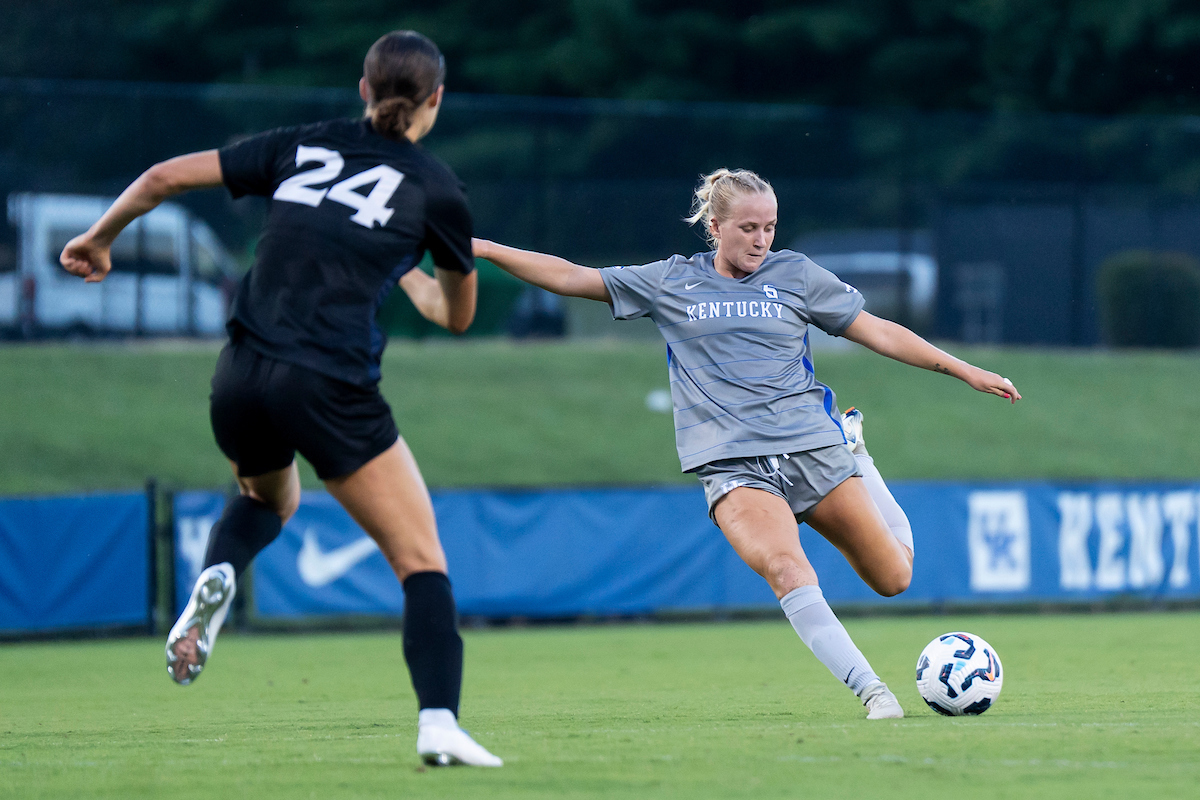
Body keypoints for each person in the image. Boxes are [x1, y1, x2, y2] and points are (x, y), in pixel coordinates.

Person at [59, 31, 502, 767]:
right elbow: (456, 317)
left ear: (363, 90)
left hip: (240, 373)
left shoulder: (302, 144)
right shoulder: (437, 189)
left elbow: (164, 176)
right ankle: (438, 724)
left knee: (268, 498)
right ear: (437, 100)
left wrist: (100, 238)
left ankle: (219, 574)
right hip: (328, 382)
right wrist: (414, 266)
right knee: (421, 559)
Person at [473, 168, 1021, 719]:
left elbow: (878, 330)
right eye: (749, 228)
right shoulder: (672, 280)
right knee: (787, 568)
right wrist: (489, 249)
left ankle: (857, 454)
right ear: (716, 227)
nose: (762, 240)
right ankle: (873, 692)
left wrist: (964, 369)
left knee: (894, 578)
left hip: (811, 447)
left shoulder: (796, 274)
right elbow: (572, 277)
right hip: (732, 465)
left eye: (770, 227)